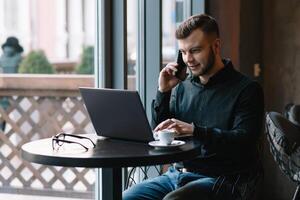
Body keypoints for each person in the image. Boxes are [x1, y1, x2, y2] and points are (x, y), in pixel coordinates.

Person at [123, 14, 264, 200]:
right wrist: (163, 92)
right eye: (183, 52)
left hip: (222, 180)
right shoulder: (181, 87)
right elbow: (160, 133)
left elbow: (244, 141)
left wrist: (195, 131)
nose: (188, 59)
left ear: (216, 46)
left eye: (195, 50)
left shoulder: (247, 89)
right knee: (126, 197)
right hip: (176, 174)